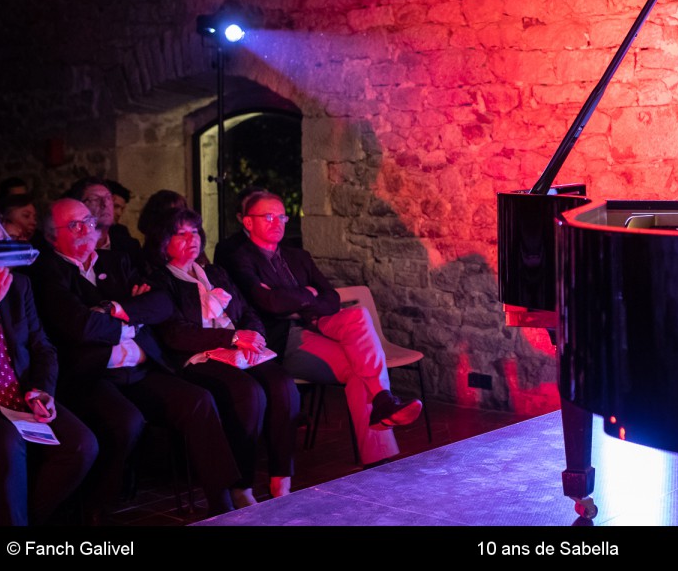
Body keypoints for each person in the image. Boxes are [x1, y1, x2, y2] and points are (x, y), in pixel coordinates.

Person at [31, 198, 240, 521]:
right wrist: (132, 316)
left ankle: (221, 500)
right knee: (126, 421)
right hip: (93, 376)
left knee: (198, 400)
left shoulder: (116, 262)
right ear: (50, 235)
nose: (88, 229)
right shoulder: (47, 271)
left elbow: (162, 304)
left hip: (142, 369)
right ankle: (96, 508)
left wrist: (113, 309)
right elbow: (79, 325)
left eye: (88, 220)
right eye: (74, 225)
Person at [222, 190, 421, 467]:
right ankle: (380, 452)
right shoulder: (240, 257)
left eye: (281, 216)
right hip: (285, 338)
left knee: (358, 315)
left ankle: (382, 403)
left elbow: (331, 297)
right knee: (359, 370)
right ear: (248, 223)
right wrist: (307, 294)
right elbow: (266, 302)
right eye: (268, 216)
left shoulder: (297, 256)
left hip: (317, 324)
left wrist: (296, 300)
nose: (277, 222)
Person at [145, 208, 299, 505]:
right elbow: (176, 334)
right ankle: (240, 484)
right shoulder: (161, 282)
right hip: (198, 356)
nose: (192, 239)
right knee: (248, 392)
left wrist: (252, 335)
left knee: (282, 384)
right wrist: (232, 337)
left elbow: (246, 311)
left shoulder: (214, 273)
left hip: (237, 347)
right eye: (182, 233)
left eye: (195, 232)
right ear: (164, 241)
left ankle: (282, 475)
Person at [0, 256, 98, 525]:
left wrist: (42, 389)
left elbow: (42, 346)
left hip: (18, 390)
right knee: (4, 441)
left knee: (81, 444)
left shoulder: (17, 285)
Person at [66, 177, 144, 266]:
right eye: (95, 199)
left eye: (108, 198)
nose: (105, 204)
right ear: (78, 207)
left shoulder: (129, 247)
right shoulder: (68, 249)